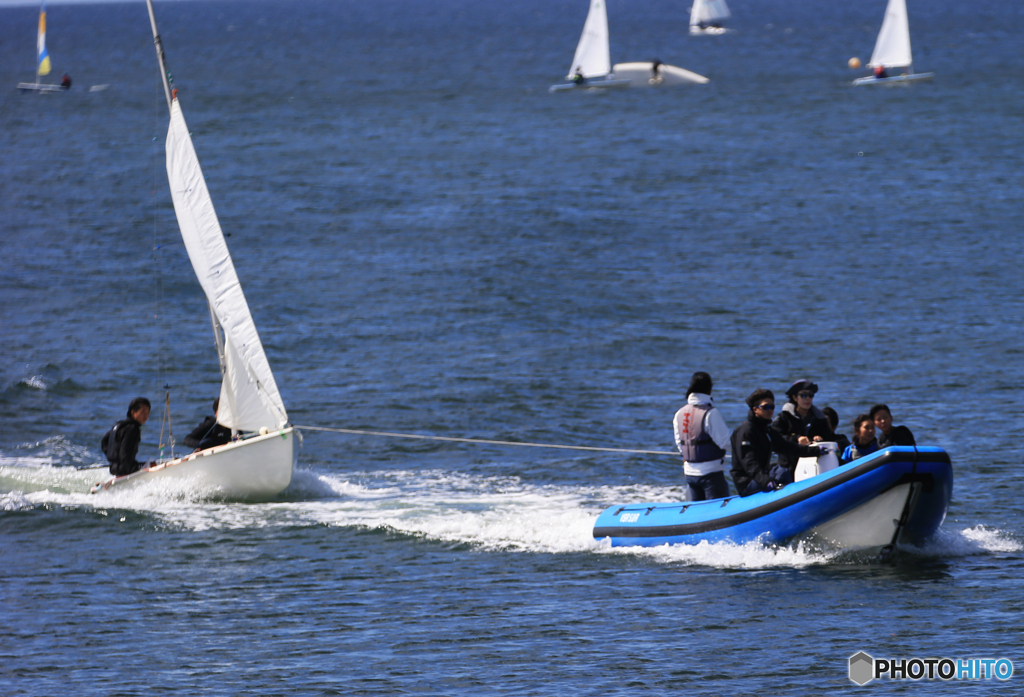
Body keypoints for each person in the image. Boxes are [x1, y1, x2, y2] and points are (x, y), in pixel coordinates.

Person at [730, 388, 823, 497]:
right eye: (766, 407)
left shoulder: (766, 430)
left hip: (761, 477)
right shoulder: (746, 430)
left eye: (772, 407)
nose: (770, 410)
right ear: (755, 409)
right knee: (780, 473)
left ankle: (791, 498)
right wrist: (765, 481)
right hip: (747, 482)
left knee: (781, 470)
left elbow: (788, 447)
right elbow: (749, 462)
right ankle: (788, 500)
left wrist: (816, 451)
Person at [673, 371, 731, 500]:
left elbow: (680, 443)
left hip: (689, 473)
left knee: (697, 511)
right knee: (717, 512)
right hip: (711, 474)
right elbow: (725, 442)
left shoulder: (679, 414)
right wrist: (744, 451)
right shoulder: (711, 413)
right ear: (710, 389)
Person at [771, 379, 830, 471]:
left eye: (810, 395)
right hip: (788, 468)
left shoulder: (820, 419)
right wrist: (796, 439)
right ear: (795, 397)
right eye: (803, 395)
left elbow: (829, 438)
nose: (807, 398)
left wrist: (819, 439)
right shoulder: (783, 418)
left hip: (814, 467)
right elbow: (776, 439)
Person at [101, 397, 152, 476]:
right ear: (133, 412)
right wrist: (132, 469)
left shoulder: (119, 425)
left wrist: (113, 460)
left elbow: (104, 441)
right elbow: (125, 453)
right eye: (143, 412)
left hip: (114, 469)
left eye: (148, 412)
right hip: (126, 470)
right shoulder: (132, 428)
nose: (146, 415)